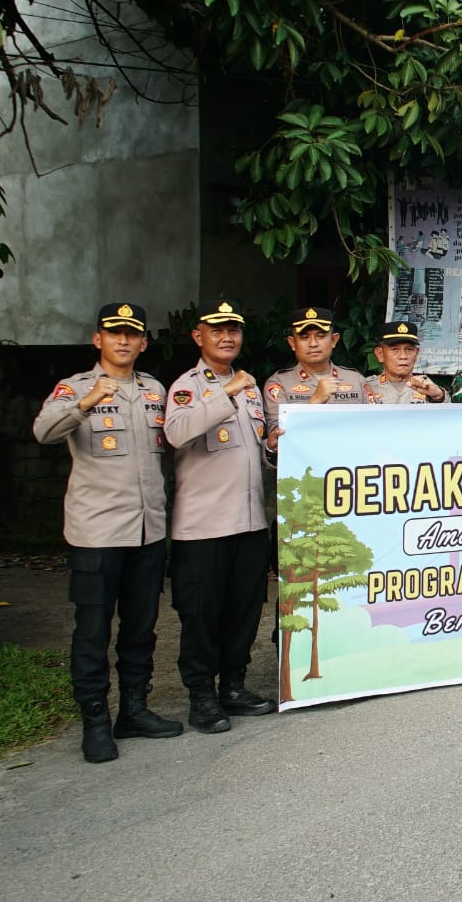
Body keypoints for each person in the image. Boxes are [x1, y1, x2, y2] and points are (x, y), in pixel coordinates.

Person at [32, 302, 183, 762]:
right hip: (97, 533)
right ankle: (95, 720)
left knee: (141, 627)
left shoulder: (155, 390)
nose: (123, 341)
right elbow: (43, 432)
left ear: (143, 343)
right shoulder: (76, 387)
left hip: (147, 531)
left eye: (132, 334)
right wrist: (86, 403)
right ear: (98, 339)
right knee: (93, 630)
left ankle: (133, 710)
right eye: (114, 333)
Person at [163, 300, 279, 734]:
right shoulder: (187, 387)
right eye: (218, 330)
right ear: (199, 337)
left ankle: (233, 686)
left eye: (234, 330)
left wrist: (273, 446)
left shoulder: (249, 387)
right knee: (201, 615)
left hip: (249, 522)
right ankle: (201, 695)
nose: (227, 337)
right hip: (203, 528)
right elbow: (176, 433)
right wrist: (224, 393)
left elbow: (259, 452)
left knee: (243, 611)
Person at [261, 306, 368, 433]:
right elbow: (278, 436)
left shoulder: (356, 380)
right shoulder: (279, 383)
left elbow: (375, 424)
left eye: (321, 336)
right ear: (292, 343)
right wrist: (314, 401)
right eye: (304, 337)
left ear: (334, 340)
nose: (313, 344)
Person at [364, 318, 448, 404]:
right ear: (380, 354)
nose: (403, 356)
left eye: (409, 349)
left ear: (416, 353)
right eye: (395, 349)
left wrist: (439, 397)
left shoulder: (428, 388)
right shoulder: (364, 388)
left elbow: (449, 411)